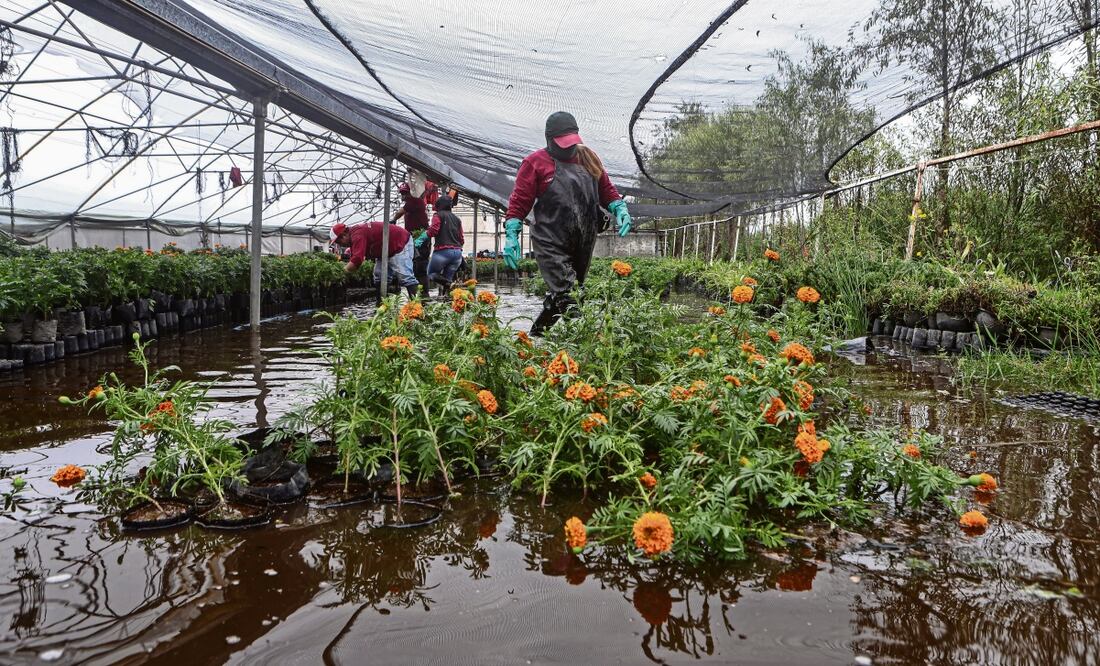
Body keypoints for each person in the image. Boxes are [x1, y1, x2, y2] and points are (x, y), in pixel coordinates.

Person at [503, 111, 632, 335]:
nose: (568, 148)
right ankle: (585, 342)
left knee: (567, 291)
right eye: (562, 144)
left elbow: (606, 191)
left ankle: (535, 337)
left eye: (572, 142)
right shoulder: (534, 163)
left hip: (583, 238)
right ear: (549, 139)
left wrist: (619, 207)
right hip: (550, 240)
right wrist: (512, 233)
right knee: (568, 293)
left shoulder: (588, 157)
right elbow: (519, 202)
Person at [330, 221, 419, 299]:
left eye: (339, 242)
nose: (340, 245)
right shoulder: (355, 234)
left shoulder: (357, 234)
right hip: (385, 250)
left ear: (344, 235)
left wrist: (341, 273)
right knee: (379, 275)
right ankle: (381, 304)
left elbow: (357, 260)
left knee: (404, 276)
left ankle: (417, 307)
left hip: (399, 242)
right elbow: (355, 258)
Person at [417, 194, 465, 292]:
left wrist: (421, 238)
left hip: (443, 252)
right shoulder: (457, 219)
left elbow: (433, 230)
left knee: (432, 273)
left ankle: (449, 284)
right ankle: (447, 300)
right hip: (457, 254)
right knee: (447, 278)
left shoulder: (438, 215)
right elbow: (461, 239)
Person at [392, 182, 432, 293]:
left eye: (404, 193)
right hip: (417, 236)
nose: (403, 196)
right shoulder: (413, 202)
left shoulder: (414, 201)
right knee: (416, 263)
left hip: (420, 236)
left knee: (420, 265)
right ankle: (420, 292)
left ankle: (423, 294)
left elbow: (400, 212)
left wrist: (393, 219)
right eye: (402, 193)